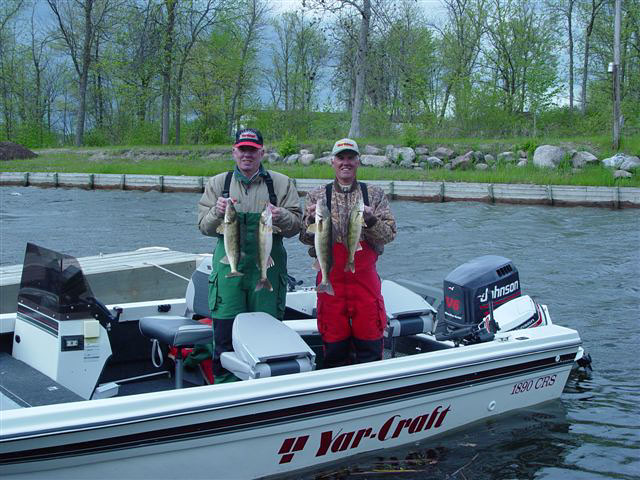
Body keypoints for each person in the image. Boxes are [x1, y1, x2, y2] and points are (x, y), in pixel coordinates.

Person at [198, 128, 302, 383]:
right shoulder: (218, 183)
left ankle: (266, 388)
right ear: (234, 152)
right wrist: (216, 212)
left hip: (267, 271)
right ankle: (225, 389)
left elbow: (296, 228)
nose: (247, 155)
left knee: (267, 335)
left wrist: (281, 216)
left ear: (262, 152)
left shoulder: (281, 183)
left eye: (252, 150)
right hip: (229, 272)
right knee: (225, 334)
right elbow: (204, 227)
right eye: (242, 149)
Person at [299, 138, 396, 368]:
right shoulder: (316, 196)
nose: (346, 162)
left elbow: (389, 235)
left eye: (351, 158)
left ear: (358, 161)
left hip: (364, 282)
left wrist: (371, 220)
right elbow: (304, 238)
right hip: (330, 277)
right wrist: (311, 221)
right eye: (340, 158)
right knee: (334, 345)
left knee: (370, 342)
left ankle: (372, 384)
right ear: (332, 161)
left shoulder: (374, 194)